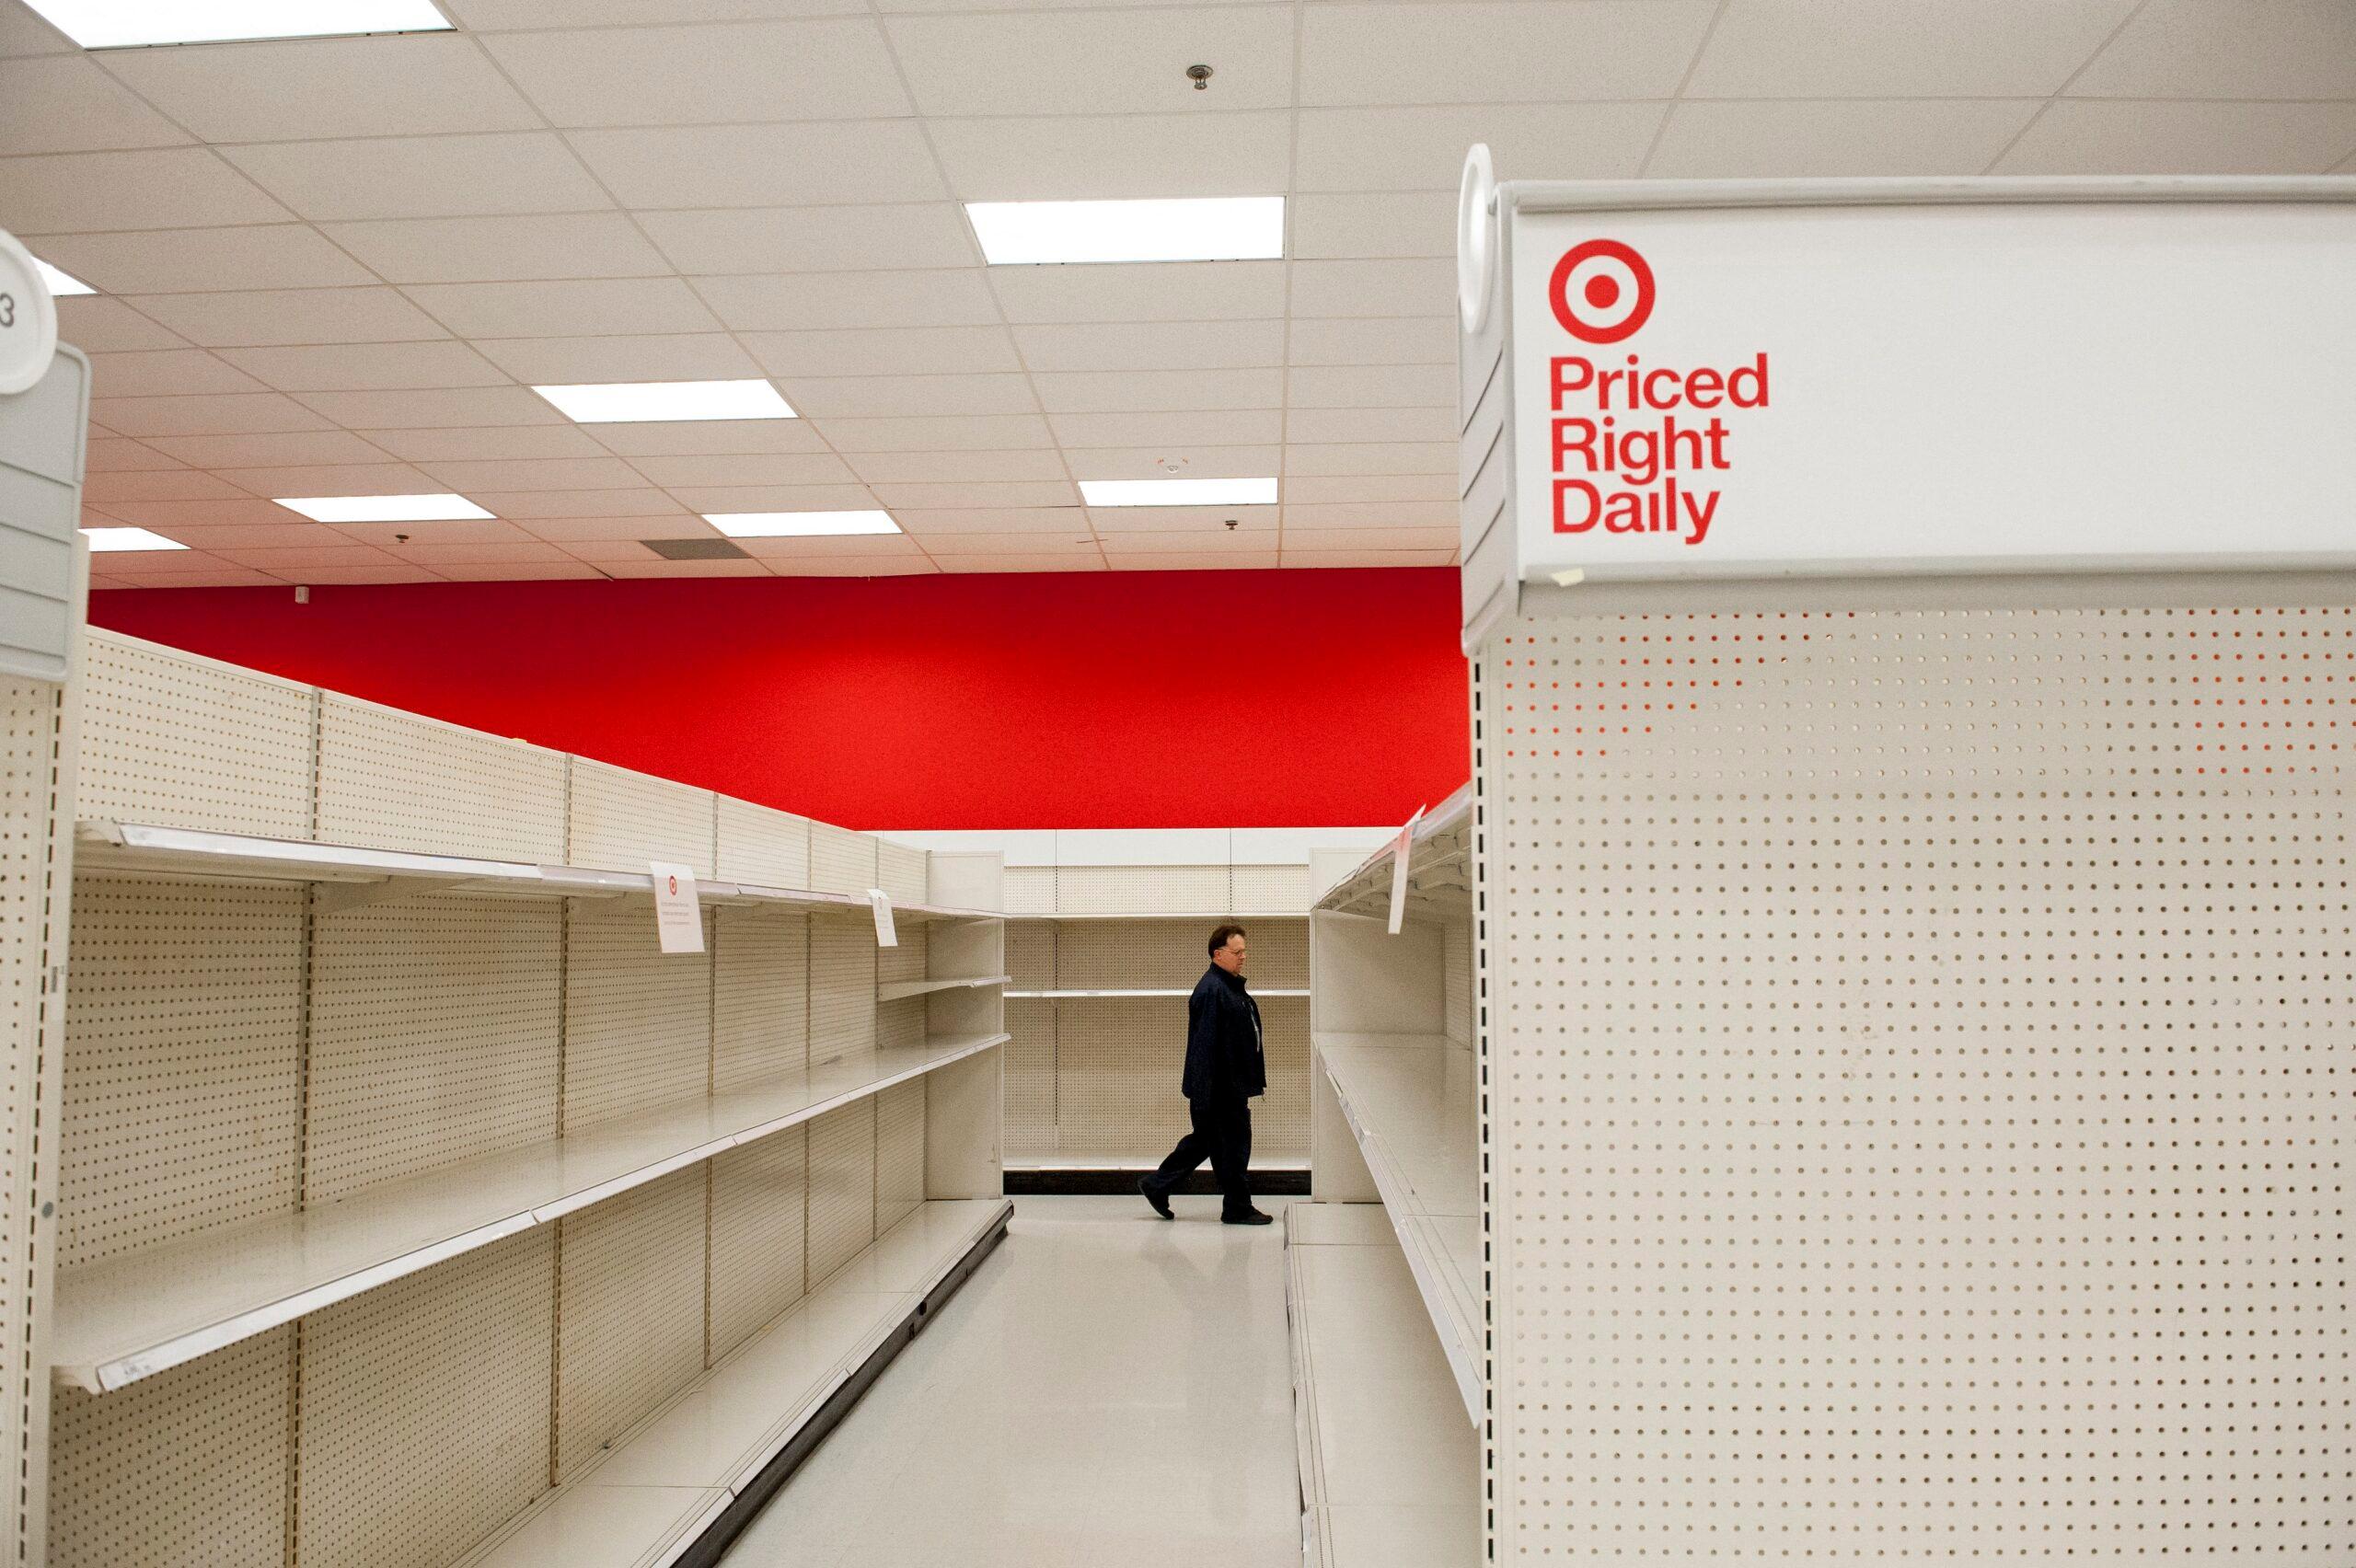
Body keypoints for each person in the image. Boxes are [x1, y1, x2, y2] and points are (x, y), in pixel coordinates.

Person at [1139, 924, 1273, 1225]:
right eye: (1237, 952)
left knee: (1208, 1143)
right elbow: (1204, 1047)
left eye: (1244, 951)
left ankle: (1157, 1184)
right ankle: (1237, 1207)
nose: (1243, 957)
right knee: (1234, 1147)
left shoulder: (1228, 987)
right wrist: (1204, 1095)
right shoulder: (1213, 990)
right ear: (1218, 954)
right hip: (1220, 1090)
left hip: (1228, 1087)